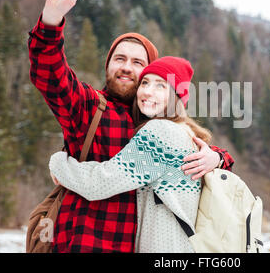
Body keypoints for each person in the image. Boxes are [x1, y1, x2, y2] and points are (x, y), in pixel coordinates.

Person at [28, 0, 234, 253]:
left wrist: (216, 157)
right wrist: (52, 15)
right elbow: (50, 75)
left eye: (138, 64)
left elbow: (196, 150)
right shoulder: (89, 106)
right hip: (82, 243)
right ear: (108, 65)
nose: (127, 67)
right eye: (119, 58)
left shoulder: (158, 125)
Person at [50, 56, 207, 252]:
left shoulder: (161, 132)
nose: (148, 92)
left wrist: (59, 164)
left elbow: (100, 183)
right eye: (145, 82)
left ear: (177, 96)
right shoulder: (186, 133)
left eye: (161, 86)